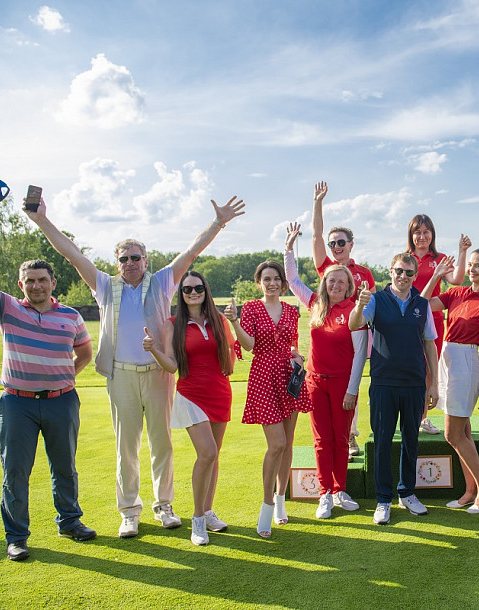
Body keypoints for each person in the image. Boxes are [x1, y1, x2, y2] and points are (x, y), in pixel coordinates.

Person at [27, 195, 245, 538]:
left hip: (158, 374)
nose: (130, 263)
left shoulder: (161, 282)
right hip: (121, 375)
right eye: (123, 258)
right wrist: (42, 221)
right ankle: (129, 511)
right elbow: (72, 254)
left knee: (162, 444)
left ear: (146, 260)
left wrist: (218, 223)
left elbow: (190, 253)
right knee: (126, 446)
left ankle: (164, 506)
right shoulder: (105, 285)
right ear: (117, 263)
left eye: (136, 258)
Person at [0, 208, 95, 561]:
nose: (36, 285)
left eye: (42, 280)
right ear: (21, 285)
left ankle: (70, 521)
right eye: (30, 280)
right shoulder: (7, 308)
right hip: (17, 403)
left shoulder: (72, 316)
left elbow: (84, 354)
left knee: (64, 466)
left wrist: (63, 379)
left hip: (62, 401)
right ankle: (17, 536)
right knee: (16, 471)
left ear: (53, 283)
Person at [142, 272, 239, 545]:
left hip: (220, 393)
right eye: (187, 289)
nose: (193, 292)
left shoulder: (219, 320)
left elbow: (230, 358)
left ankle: (208, 511)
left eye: (198, 288)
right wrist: (152, 350)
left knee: (214, 455)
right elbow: (172, 365)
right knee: (206, 452)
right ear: (181, 294)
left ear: (205, 291)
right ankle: (197, 519)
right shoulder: (173, 324)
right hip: (191, 395)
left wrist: (233, 323)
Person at [348, 253, 439, 526]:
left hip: (413, 383)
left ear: (415, 275)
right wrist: (359, 305)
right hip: (383, 383)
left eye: (409, 273)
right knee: (383, 442)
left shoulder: (422, 305)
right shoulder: (375, 300)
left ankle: (407, 492)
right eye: (399, 271)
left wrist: (433, 382)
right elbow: (354, 325)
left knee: (411, 440)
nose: (403, 276)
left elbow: (430, 344)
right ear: (391, 271)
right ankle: (383, 499)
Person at [284, 222, 367, 519]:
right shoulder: (316, 304)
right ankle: (324, 494)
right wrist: (289, 248)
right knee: (321, 440)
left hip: (344, 384)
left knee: (341, 438)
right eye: (331, 282)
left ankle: (340, 489)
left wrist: (352, 390)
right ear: (325, 284)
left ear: (348, 286)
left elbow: (360, 355)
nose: (335, 286)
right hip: (316, 382)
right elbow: (292, 278)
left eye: (341, 283)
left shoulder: (354, 311)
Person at [226, 260, 312, 538]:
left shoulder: (290, 309)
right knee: (276, 445)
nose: (272, 283)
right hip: (263, 376)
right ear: (259, 282)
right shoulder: (251, 308)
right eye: (267, 279)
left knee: (287, 444)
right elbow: (249, 345)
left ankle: (281, 501)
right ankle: (266, 504)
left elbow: (292, 342)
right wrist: (234, 322)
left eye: (276, 278)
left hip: (289, 375)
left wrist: (297, 356)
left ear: (283, 283)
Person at [420, 249, 479, 514]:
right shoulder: (457, 293)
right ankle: (470, 490)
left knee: (452, 433)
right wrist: (436, 276)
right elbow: (421, 304)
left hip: (466, 364)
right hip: (446, 359)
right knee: (463, 433)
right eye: (471, 265)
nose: (472, 269)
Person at [311, 181, 375, 457]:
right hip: (332, 335)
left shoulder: (364, 272)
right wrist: (318, 203)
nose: (335, 246)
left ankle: (350, 436)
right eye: (332, 243)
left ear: (350, 245)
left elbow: (371, 306)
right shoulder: (327, 269)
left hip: (357, 334)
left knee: (352, 383)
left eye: (341, 242)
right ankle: (343, 439)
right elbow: (315, 236)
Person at [406, 214, 468, 435]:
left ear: (432, 234)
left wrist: (462, 252)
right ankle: (407, 416)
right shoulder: (406, 258)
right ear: (411, 235)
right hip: (407, 322)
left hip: (432, 322)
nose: (422, 236)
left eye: (426, 232)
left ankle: (422, 418)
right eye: (417, 232)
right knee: (410, 368)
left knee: (429, 370)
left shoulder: (439, 258)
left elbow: (457, 280)